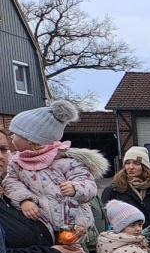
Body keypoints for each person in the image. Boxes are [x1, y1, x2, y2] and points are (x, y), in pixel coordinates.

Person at [2, 100, 104, 239]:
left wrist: (75, 188)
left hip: (73, 225)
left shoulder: (66, 161)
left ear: (32, 140)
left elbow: (89, 185)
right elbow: (10, 183)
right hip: (41, 225)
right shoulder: (16, 163)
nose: (12, 137)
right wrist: (24, 200)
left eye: (15, 133)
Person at [102, 147, 150, 228]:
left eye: (136, 163)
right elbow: (106, 221)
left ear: (144, 167)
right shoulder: (113, 191)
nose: (131, 167)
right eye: (127, 163)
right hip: (125, 238)